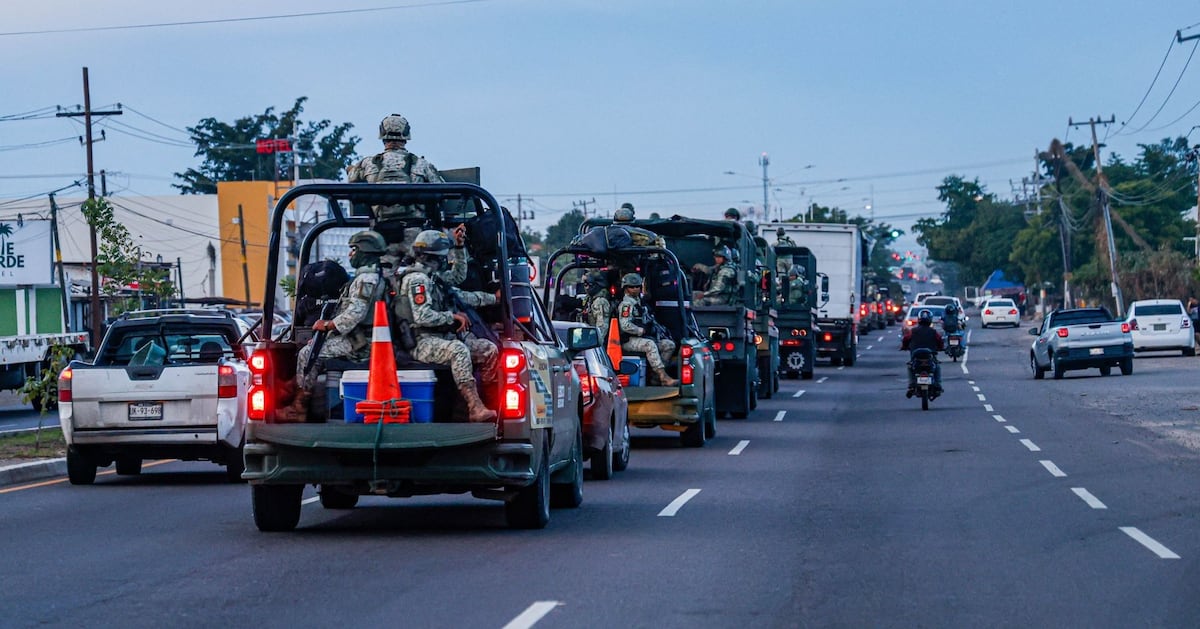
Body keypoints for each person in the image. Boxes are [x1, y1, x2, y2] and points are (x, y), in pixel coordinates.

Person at [395, 230, 499, 422]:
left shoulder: (434, 278)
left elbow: (459, 282)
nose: (445, 261)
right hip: (422, 341)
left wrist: (459, 248)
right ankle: (474, 407)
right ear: (434, 257)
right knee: (459, 350)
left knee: (487, 349)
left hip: (441, 338)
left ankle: (484, 405)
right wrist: (451, 317)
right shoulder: (417, 280)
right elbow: (422, 316)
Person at [284, 230, 389, 419]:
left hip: (362, 344)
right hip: (359, 338)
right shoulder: (368, 277)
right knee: (313, 348)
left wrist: (328, 325)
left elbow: (356, 313)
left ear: (365, 251)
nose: (350, 254)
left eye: (354, 249)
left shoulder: (367, 279)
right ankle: (296, 389)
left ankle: (298, 408)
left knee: (307, 354)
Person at [347, 114, 445, 243]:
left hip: (380, 236)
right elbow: (441, 188)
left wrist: (350, 169)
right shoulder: (421, 164)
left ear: (382, 135)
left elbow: (351, 179)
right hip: (415, 235)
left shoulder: (368, 164)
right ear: (406, 136)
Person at [617, 273, 678, 386]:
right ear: (625, 288)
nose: (635, 289)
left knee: (668, 345)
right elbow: (625, 325)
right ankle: (663, 377)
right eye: (632, 287)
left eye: (637, 286)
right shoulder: (626, 305)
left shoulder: (640, 303)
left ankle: (656, 378)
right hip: (629, 340)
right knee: (650, 345)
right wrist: (641, 330)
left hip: (642, 338)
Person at [900, 308, 944, 397]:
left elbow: (905, 339)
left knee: (911, 367)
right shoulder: (933, 331)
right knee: (937, 367)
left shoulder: (913, 331)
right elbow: (940, 341)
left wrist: (904, 347)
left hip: (916, 356)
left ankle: (912, 385)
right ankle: (938, 384)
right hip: (929, 355)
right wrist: (940, 348)